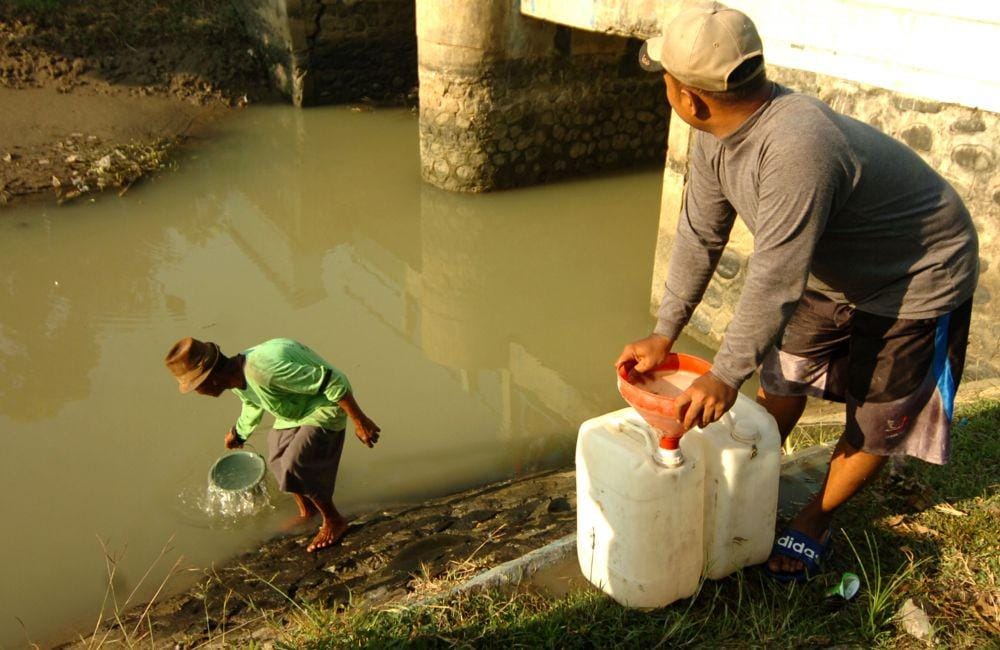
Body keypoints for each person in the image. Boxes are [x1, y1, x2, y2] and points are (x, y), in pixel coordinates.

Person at [617, 2, 978, 582]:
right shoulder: (713, 135)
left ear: (689, 97)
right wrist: (665, 331)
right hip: (826, 267)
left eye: (667, 79)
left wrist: (724, 374)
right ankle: (752, 479)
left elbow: (776, 276)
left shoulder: (797, 147)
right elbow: (700, 234)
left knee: (877, 417)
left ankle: (815, 519)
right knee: (785, 376)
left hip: (916, 275)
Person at [165, 336, 381, 553]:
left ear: (210, 379)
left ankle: (334, 520)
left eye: (195, 387)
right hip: (293, 408)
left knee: (295, 463)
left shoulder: (262, 372)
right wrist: (239, 433)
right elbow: (252, 402)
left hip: (324, 402)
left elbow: (333, 380)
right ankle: (307, 511)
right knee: (277, 458)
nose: (197, 392)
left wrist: (360, 421)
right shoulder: (234, 376)